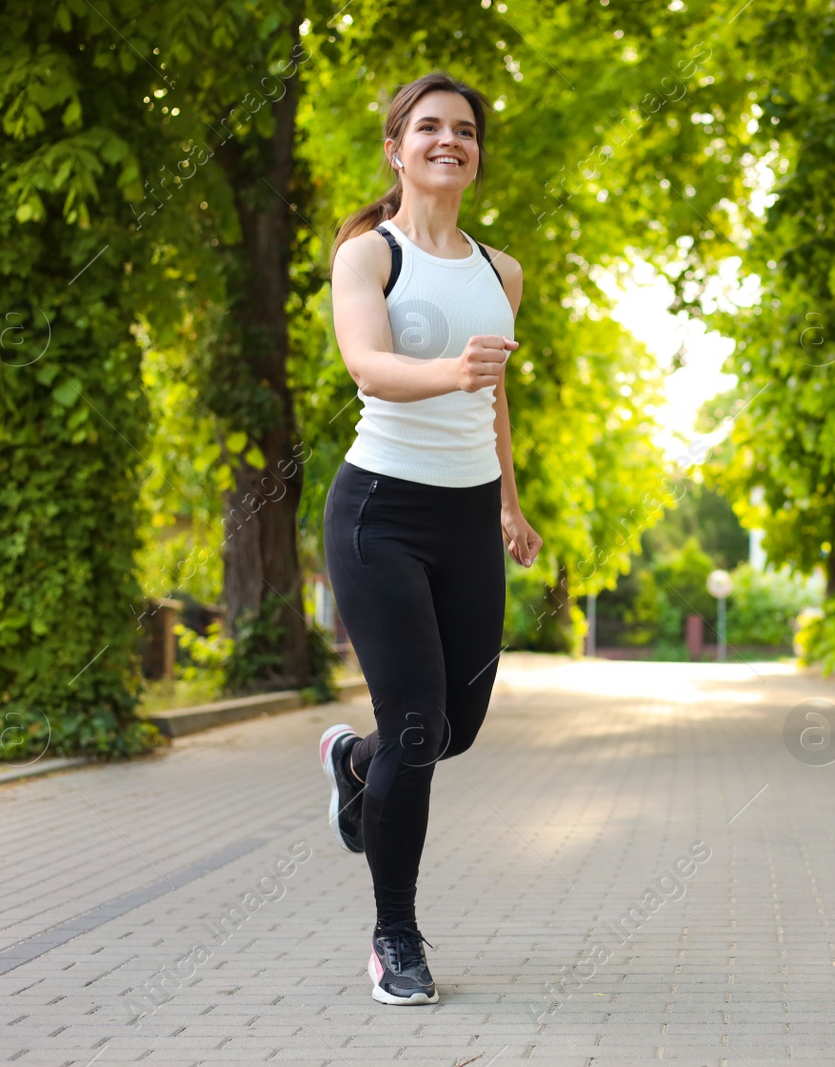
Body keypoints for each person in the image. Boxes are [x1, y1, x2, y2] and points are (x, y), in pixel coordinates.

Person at [317, 71, 543, 1007]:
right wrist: (450, 369)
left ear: (477, 153)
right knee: (418, 718)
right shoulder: (371, 255)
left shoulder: (503, 271)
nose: (449, 140)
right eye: (430, 128)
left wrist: (511, 502)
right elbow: (368, 365)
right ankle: (395, 937)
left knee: (456, 728)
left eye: (465, 130)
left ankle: (355, 764)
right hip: (380, 512)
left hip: (467, 516)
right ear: (396, 147)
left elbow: (493, 390)